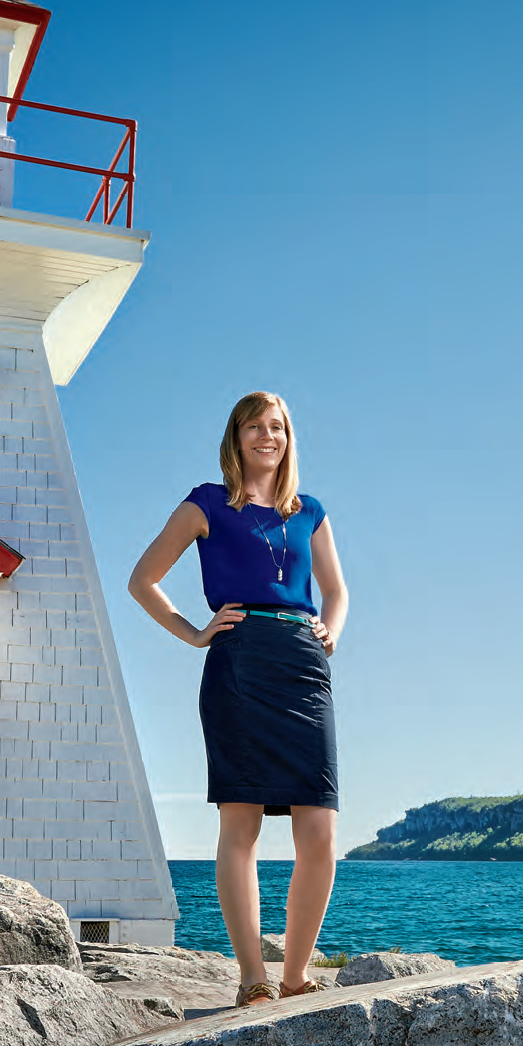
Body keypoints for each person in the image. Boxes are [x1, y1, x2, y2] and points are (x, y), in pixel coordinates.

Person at [128, 390, 349, 1006]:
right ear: (236, 436)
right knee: (241, 822)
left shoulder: (311, 511)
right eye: (254, 427)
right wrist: (195, 634)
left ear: (288, 438)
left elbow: (336, 590)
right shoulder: (206, 503)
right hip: (239, 664)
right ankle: (253, 977)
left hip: (305, 666)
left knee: (320, 827)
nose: (267, 437)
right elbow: (142, 580)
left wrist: (333, 627)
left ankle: (296, 974)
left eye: (276, 427)